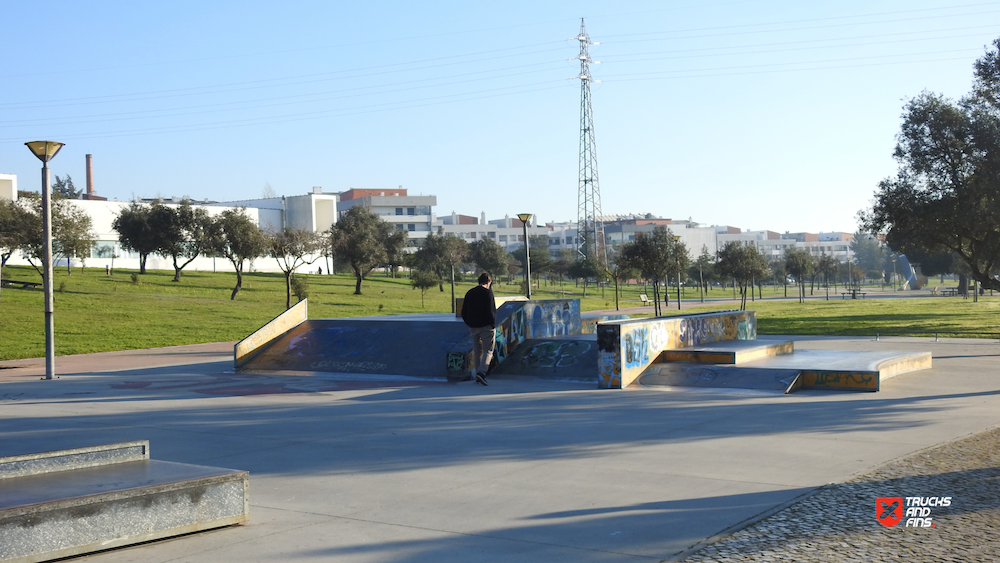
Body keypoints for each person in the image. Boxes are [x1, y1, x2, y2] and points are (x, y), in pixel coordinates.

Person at [461, 272, 497, 386]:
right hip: (486, 326)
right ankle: (482, 373)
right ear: (489, 282)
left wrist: (469, 323)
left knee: (477, 351)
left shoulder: (470, 293)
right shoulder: (488, 293)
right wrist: (492, 324)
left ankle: (477, 374)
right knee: (488, 350)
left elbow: (463, 311)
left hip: (473, 327)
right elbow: (491, 310)